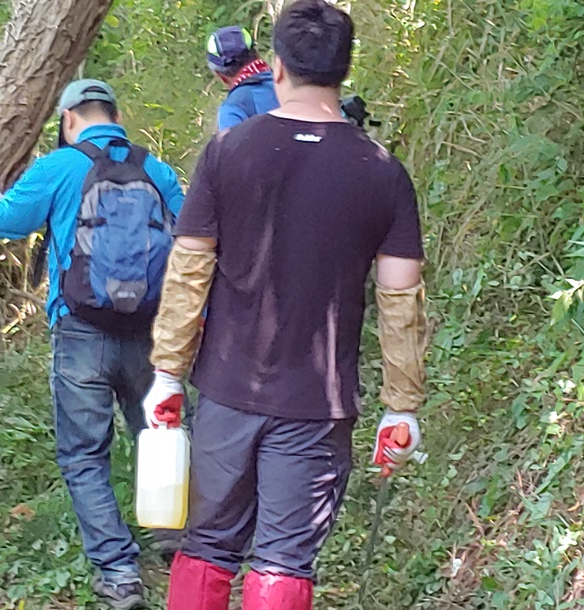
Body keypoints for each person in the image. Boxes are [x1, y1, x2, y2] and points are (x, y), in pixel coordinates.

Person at [143, 2, 429, 608]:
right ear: (344, 71)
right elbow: (401, 300)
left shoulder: (226, 153)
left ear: (275, 67)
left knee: (208, 548)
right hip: (317, 408)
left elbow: (189, 271)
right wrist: (401, 407)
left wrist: (168, 373)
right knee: (284, 561)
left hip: (225, 393)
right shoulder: (383, 173)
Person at [0, 79, 185, 610]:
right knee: (162, 434)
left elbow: (2, 222)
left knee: (84, 454)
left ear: (67, 118)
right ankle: (180, 546)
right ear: (115, 115)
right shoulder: (157, 170)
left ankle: (120, 573)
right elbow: (193, 234)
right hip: (150, 333)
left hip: (81, 334)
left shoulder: (59, 167)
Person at [206, 25, 280, 130]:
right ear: (256, 55)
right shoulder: (292, 82)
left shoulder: (232, 110)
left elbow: (231, 146)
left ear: (221, 76)